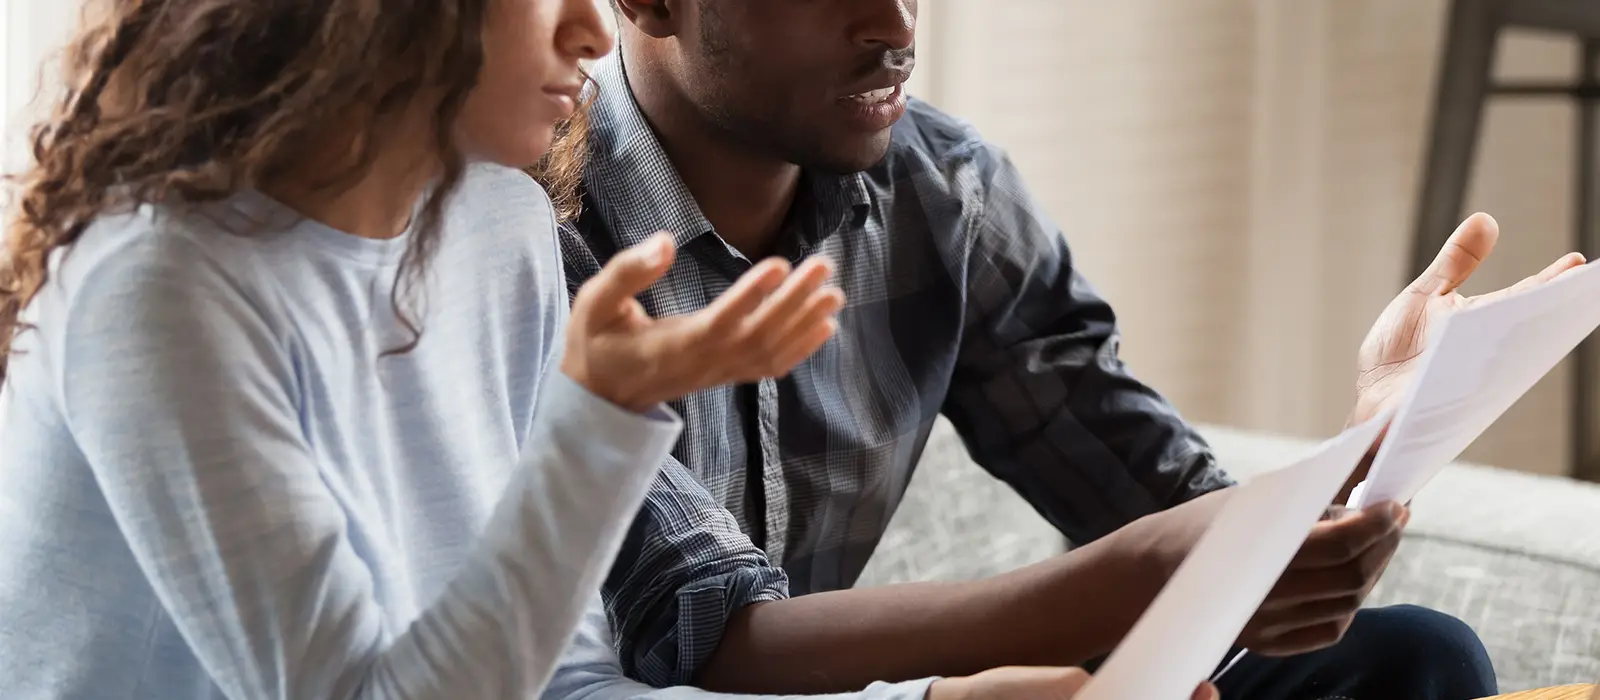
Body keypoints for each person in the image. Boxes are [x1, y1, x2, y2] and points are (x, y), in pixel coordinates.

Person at [536, 1, 1589, 699]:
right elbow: (701, 639)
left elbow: (1165, 508)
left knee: (1410, 661)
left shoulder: (943, 187)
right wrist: (1141, 574)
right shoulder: (537, 234)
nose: (898, 25)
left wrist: (1383, 433)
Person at [0, 0, 851, 698]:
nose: (594, 31)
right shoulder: (159, 290)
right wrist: (597, 422)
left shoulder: (500, 227)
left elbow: (558, 684)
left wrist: (919, 698)